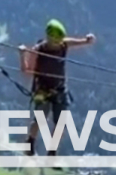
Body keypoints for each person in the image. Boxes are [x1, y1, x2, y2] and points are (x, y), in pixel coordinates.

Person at [19, 19, 96, 161]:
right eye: (57, 42)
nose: (59, 44)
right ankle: (30, 144)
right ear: (49, 39)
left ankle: (52, 152)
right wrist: (22, 55)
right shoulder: (38, 50)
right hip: (43, 90)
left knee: (61, 123)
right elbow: (27, 71)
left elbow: (71, 42)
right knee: (40, 120)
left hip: (60, 89)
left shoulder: (62, 44)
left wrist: (85, 41)